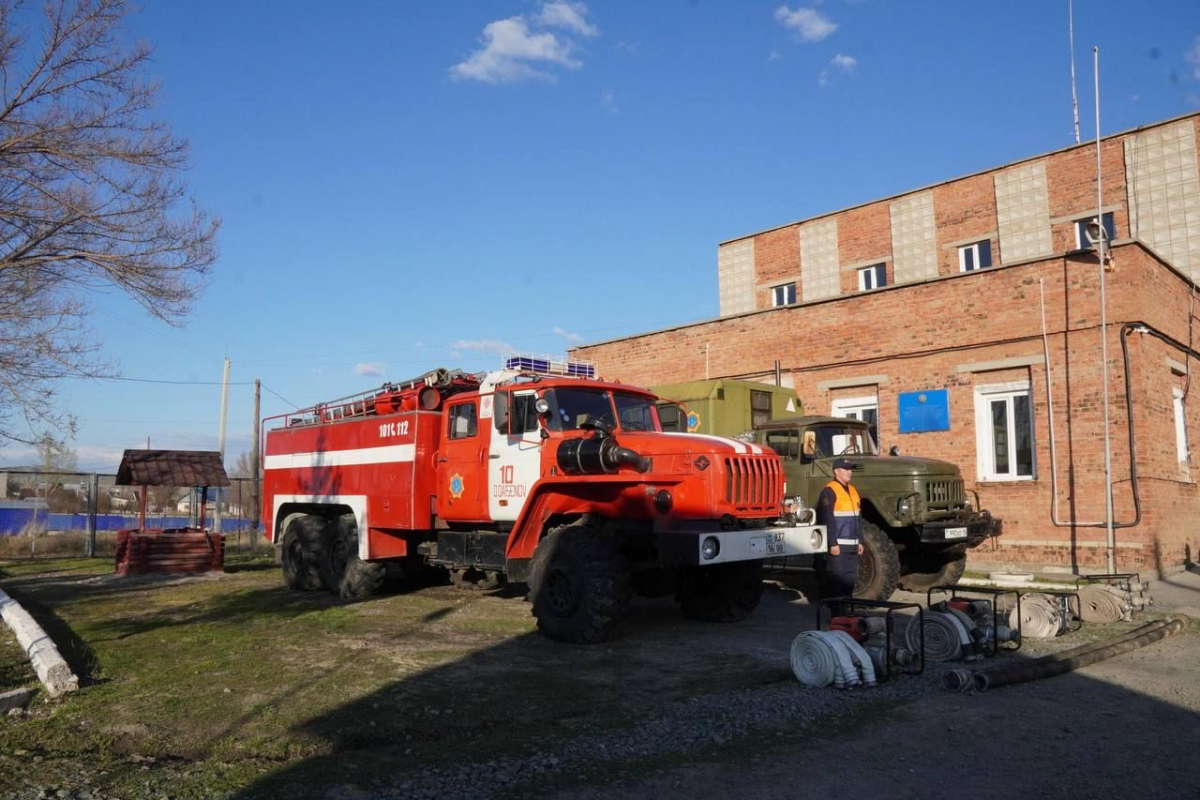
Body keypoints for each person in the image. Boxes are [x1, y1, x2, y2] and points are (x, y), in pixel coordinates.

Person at [815, 458, 864, 599]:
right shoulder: (829, 491)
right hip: (839, 545)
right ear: (836, 471)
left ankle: (846, 611)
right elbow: (826, 519)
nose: (850, 472)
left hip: (852, 544)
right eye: (846, 469)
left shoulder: (853, 491)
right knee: (836, 579)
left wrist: (860, 540)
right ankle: (836, 614)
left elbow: (858, 518)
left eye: (851, 469)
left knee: (849, 579)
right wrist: (833, 543)